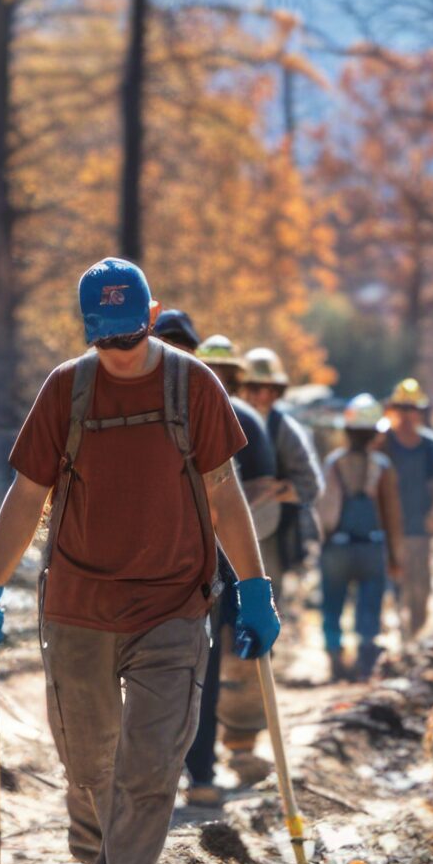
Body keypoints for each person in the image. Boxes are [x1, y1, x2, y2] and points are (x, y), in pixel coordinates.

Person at [0, 259, 275, 864]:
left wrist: (254, 586)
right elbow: (25, 496)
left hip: (173, 605)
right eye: (106, 342)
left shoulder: (194, 385)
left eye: (129, 338)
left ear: (152, 316)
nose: (119, 354)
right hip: (78, 605)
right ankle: (102, 860)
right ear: (88, 333)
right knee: (90, 761)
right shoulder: (66, 390)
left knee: (151, 762)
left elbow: (224, 495)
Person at [193, 336, 285, 789]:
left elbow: (264, 494)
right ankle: (211, 760)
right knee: (220, 661)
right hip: (205, 563)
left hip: (214, 563)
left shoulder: (243, 419)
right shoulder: (184, 415)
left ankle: (238, 751)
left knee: (224, 661)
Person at [314, 396, 403, 681]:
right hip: (371, 547)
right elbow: (391, 514)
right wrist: (394, 556)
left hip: (336, 548)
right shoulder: (382, 466)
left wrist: (321, 541)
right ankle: (365, 661)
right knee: (369, 606)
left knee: (332, 605)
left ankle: (335, 657)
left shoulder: (333, 463)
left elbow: (324, 508)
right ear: (375, 433)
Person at [237, 345, 322, 641]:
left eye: (271, 388)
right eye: (256, 387)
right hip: (220, 535)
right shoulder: (223, 416)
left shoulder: (284, 428)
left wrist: (272, 491)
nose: (263, 395)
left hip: (268, 537)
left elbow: (310, 486)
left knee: (261, 612)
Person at [380, 377, 433, 648]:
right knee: (393, 584)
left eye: (412, 409)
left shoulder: (429, 445)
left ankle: (416, 635)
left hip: (419, 525)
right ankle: (398, 637)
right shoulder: (383, 442)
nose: (407, 415)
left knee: (420, 585)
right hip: (389, 528)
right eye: (402, 409)